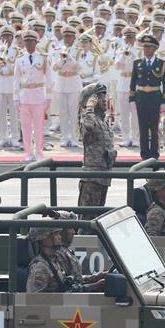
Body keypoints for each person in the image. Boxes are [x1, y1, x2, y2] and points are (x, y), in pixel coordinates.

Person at [13, 29, 51, 161]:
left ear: (36, 42)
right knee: (26, 127)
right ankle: (28, 152)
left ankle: (39, 152)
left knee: (39, 126)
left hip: (38, 95)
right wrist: (16, 98)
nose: (29, 43)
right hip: (24, 96)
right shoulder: (20, 59)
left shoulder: (43, 58)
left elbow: (49, 79)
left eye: (31, 41)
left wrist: (49, 97)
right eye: (27, 41)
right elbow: (16, 80)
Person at [129, 34, 165, 160]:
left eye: (149, 47)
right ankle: (144, 154)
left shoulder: (161, 64)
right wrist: (132, 99)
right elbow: (133, 83)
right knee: (143, 128)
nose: (146, 49)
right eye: (145, 47)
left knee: (154, 128)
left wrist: (164, 101)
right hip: (141, 98)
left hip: (155, 98)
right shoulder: (137, 64)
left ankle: (154, 154)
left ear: (155, 48)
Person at [78, 82, 116, 210]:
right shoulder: (88, 118)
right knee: (87, 219)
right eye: (99, 97)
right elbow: (88, 127)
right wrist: (89, 108)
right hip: (92, 179)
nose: (104, 100)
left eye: (104, 96)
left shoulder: (102, 120)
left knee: (98, 216)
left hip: (104, 177)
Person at [52, 211, 107, 290]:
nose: (74, 232)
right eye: (70, 228)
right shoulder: (58, 255)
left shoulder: (67, 252)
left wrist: (98, 276)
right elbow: (66, 288)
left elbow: (75, 279)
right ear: (61, 231)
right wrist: (94, 286)